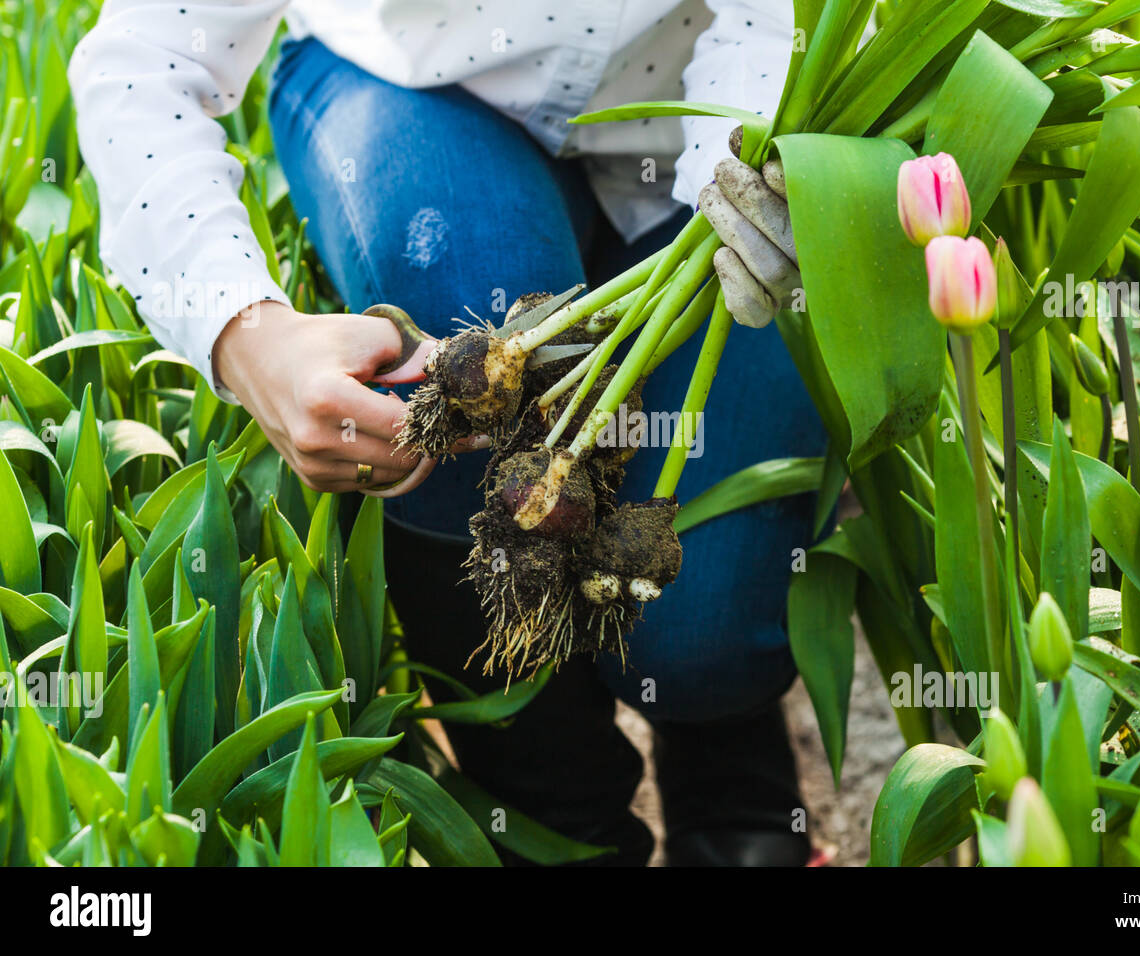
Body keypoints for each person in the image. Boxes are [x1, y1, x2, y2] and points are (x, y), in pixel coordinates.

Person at [69, 0, 824, 866]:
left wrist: (732, 175)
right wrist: (249, 338)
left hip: (696, 117)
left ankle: (739, 802)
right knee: (477, 340)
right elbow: (143, 55)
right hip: (414, 86)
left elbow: (780, 22)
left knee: (700, 628)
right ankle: (554, 828)